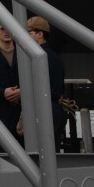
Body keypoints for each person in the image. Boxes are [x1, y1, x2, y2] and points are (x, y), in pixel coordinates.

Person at [27, 15, 68, 146]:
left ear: (40, 34)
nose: (26, 36)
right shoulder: (54, 57)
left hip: (44, 109)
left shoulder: (38, 58)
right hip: (55, 108)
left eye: (29, 32)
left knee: (41, 150)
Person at [0, 19, 22, 137]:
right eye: (2, 29)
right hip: (0, 113)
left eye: (8, 28)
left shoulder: (24, 53)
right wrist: (3, 92)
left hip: (23, 113)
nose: (6, 32)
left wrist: (21, 92)